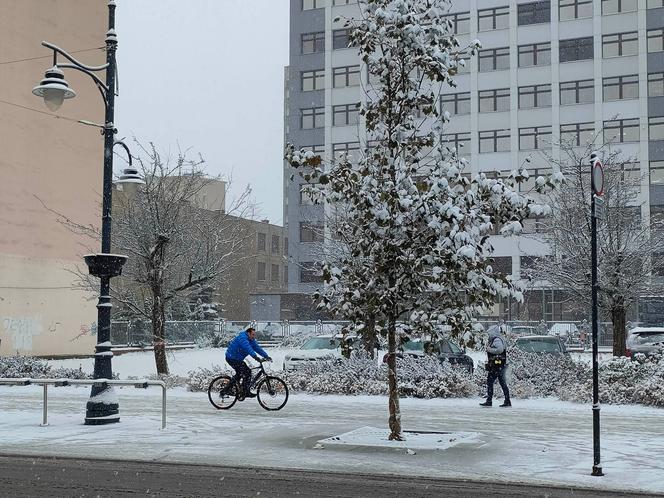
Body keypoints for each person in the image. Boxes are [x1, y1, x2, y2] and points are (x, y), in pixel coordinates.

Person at [225, 327, 272, 398]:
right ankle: (242, 391)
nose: (254, 336)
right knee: (246, 372)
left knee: (242, 373)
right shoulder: (242, 338)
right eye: (252, 334)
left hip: (238, 359)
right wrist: (255, 357)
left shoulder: (251, 340)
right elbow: (247, 348)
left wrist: (266, 356)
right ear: (248, 333)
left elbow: (257, 348)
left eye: (254, 335)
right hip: (231, 358)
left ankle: (237, 390)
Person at [480, 325, 511, 408]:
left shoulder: (496, 340)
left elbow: (499, 349)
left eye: (489, 333)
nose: (489, 335)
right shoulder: (498, 339)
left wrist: (489, 349)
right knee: (502, 383)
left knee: (490, 382)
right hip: (500, 365)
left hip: (496, 365)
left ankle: (489, 400)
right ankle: (507, 400)